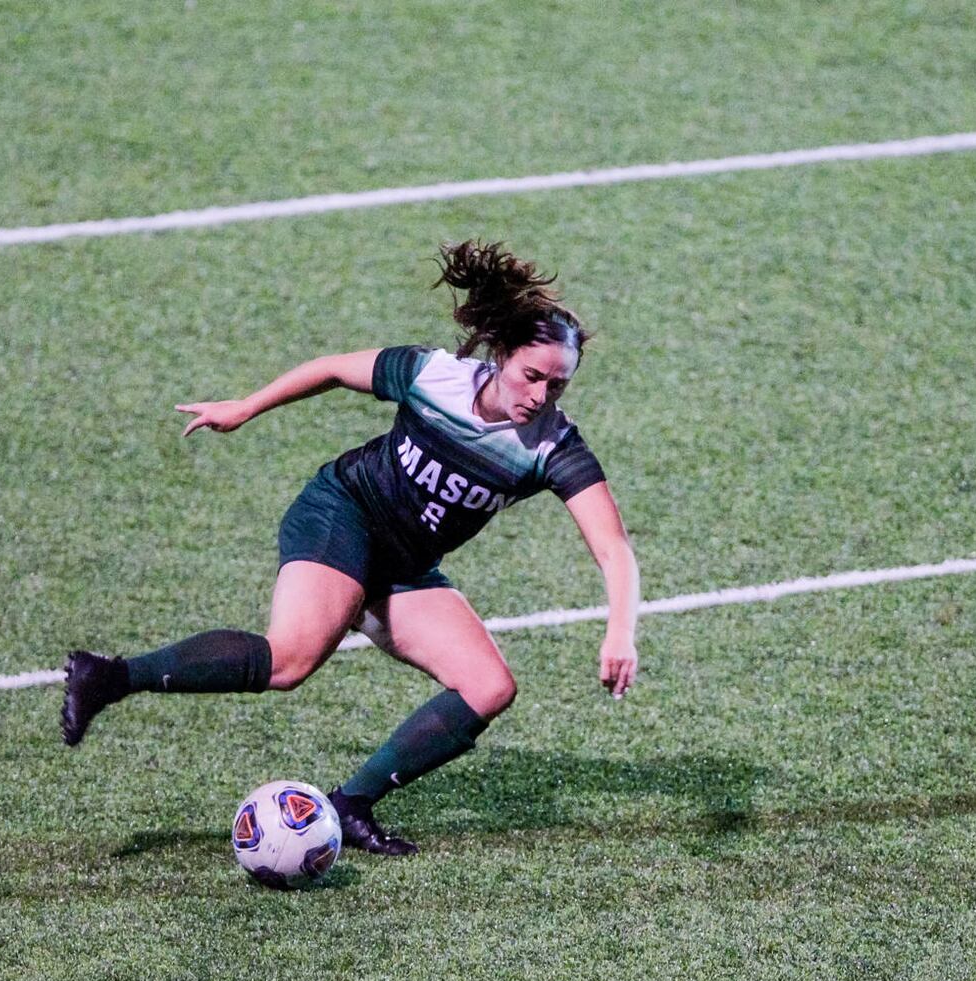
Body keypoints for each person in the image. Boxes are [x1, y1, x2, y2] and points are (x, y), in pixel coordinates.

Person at [61, 240, 640, 854]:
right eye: (532, 375)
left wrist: (620, 630)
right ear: (500, 355)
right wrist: (246, 407)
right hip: (342, 514)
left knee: (488, 685)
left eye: (558, 385)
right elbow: (335, 368)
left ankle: (351, 803)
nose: (540, 395)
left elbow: (615, 550)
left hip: (406, 566)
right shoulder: (432, 375)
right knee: (290, 660)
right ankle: (110, 676)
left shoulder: (553, 448)